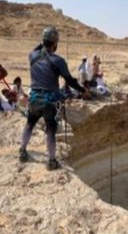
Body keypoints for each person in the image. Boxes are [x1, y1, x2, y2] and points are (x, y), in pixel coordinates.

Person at [19, 27, 90, 170]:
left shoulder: (32, 55)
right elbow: (69, 81)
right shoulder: (58, 61)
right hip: (49, 102)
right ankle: (51, 161)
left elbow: (37, 48)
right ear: (55, 44)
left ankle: (22, 151)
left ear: (43, 41)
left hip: (34, 98)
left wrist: (42, 44)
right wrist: (83, 91)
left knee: (29, 124)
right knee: (51, 130)